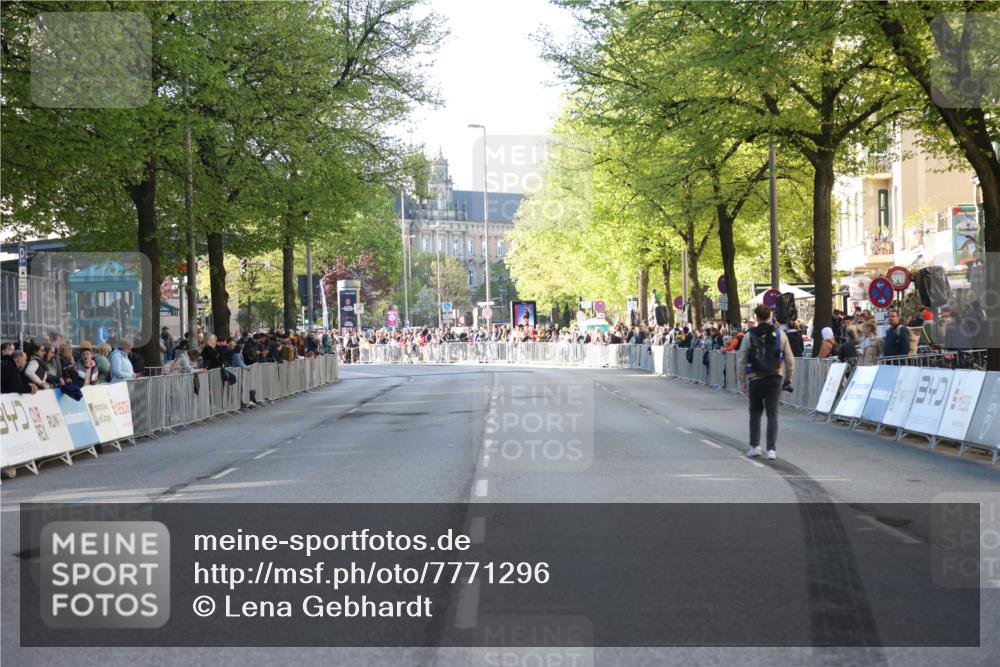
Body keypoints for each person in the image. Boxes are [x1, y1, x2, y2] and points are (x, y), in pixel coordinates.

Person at [737, 304, 795, 461]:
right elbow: (789, 358)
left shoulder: (749, 335)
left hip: (755, 378)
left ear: (756, 317)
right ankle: (771, 449)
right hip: (775, 377)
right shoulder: (780, 334)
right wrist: (788, 377)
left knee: (755, 413)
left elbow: (741, 360)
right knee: (772, 414)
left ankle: (755, 446)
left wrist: (742, 381)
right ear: (770, 316)